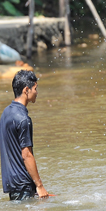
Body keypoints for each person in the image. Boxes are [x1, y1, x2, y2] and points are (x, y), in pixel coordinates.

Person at [0, 70, 49, 200]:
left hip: (13, 184)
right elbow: (26, 155)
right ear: (26, 90)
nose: (36, 93)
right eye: (35, 89)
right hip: (24, 186)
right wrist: (39, 185)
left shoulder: (6, 113)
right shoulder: (23, 119)